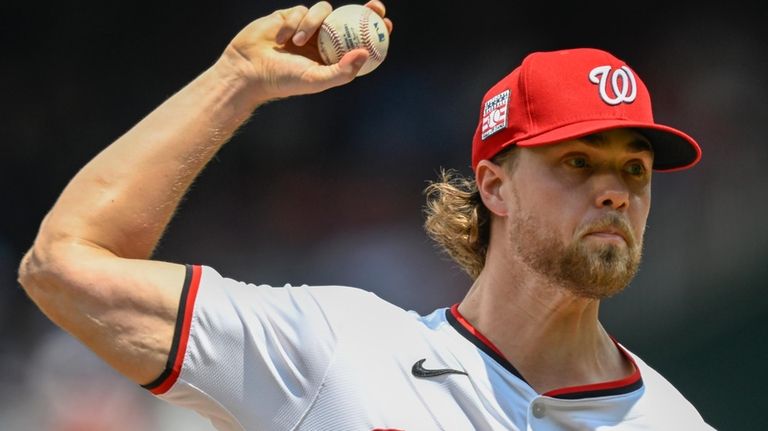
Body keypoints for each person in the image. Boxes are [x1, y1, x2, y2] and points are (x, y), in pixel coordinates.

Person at [17, 1, 715, 430]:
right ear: (495, 186)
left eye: (634, 168)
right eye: (578, 162)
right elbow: (63, 264)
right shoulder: (332, 352)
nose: (616, 191)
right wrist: (237, 82)